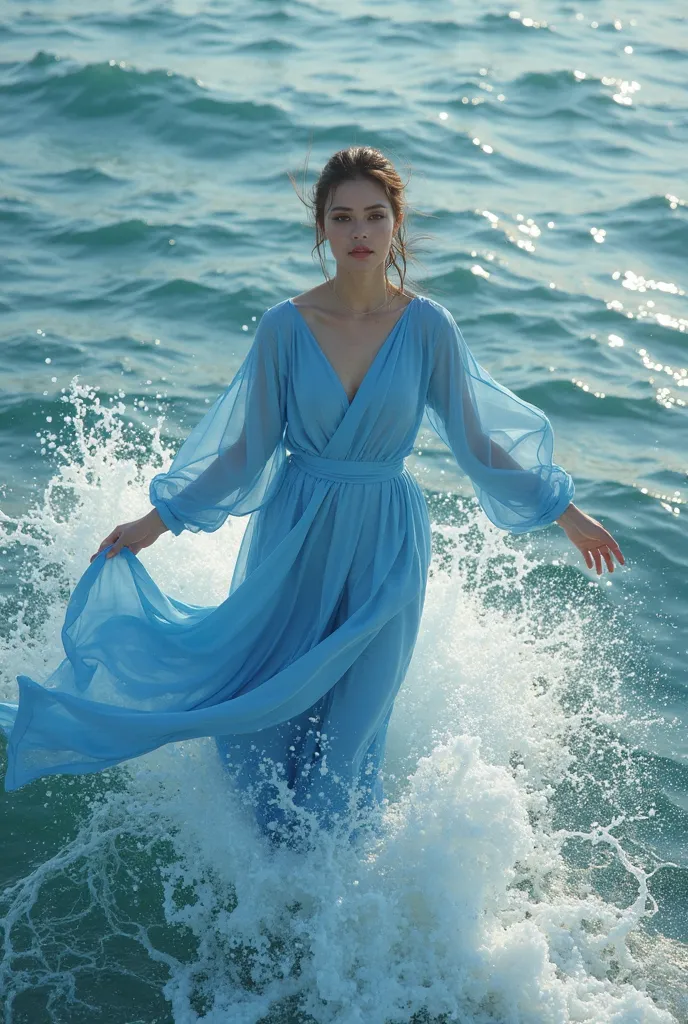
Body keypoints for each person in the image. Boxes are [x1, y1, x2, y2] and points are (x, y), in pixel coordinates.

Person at [0, 146, 624, 844]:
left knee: (353, 733)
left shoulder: (429, 327)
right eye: (343, 217)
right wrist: (156, 521)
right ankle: (266, 887)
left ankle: (338, 902)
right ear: (321, 229)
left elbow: (479, 444)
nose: (360, 231)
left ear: (396, 225)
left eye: (375, 216)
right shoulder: (284, 327)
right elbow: (245, 451)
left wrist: (565, 513)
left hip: (388, 543)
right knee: (269, 715)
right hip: (297, 537)